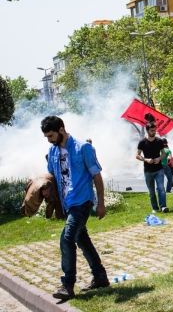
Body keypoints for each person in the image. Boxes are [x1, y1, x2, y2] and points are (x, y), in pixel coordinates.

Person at [41, 116, 109, 300]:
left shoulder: (82, 147)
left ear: (61, 130)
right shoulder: (53, 151)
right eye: (47, 137)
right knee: (82, 240)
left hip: (82, 201)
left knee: (66, 239)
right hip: (67, 204)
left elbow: (97, 175)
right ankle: (100, 276)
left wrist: (100, 203)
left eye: (51, 135)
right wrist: (45, 188)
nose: (49, 139)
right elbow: (52, 176)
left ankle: (68, 284)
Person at [136, 123, 168, 212]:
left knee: (161, 188)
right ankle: (155, 208)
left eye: (154, 130)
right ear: (147, 131)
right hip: (148, 170)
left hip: (159, 168)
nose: (154, 132)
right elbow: (137, 155)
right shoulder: (142, 142)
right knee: (151, 191)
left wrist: (159, 158)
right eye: (151, 130)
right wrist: (146, 160)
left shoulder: (159, 141)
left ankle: (163, 206)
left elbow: (164, 153)